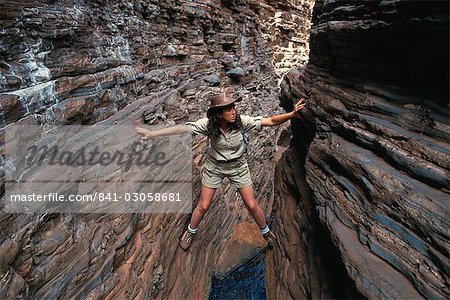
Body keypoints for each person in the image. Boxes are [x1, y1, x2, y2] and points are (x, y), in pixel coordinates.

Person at [136, 91, 305, 250]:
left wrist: (291, 115)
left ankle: (266, 232)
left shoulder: (241, 122)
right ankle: (190, 231)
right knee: (203, 206)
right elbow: (182, 129)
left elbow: (270, 121)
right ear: (219, 113)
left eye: (234, 108)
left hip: (238, 167)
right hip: (214, 167)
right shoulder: (208, 125)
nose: (234, 112)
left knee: (252, 205)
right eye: (229, 109)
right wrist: (152, 134)